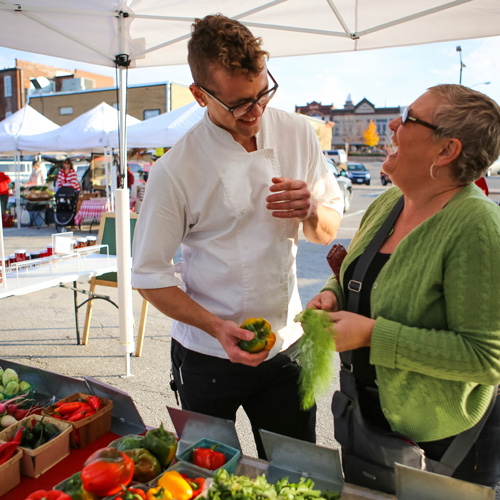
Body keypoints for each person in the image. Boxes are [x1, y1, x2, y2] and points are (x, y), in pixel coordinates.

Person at [132, 14, 343, 457]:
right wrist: (215, 327)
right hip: (208, 354)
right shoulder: (176, 169)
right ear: (199, 94)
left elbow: (327, 232)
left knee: (295, 468)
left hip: (286, 348)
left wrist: (309, 210)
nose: (256, 111)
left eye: (263, 92)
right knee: (210, 471)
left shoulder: (298, 133)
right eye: (240, 103)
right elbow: (149, 275)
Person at [308, 84, 500, 487]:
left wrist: (372, 336)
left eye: (409, 118)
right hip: (369, 421)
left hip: (443, 442)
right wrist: (333, 293)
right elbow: (359, 277)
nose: (393, 124)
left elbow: (486, 359)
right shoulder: (388, 202)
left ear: (446, 151)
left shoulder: (478, 226)